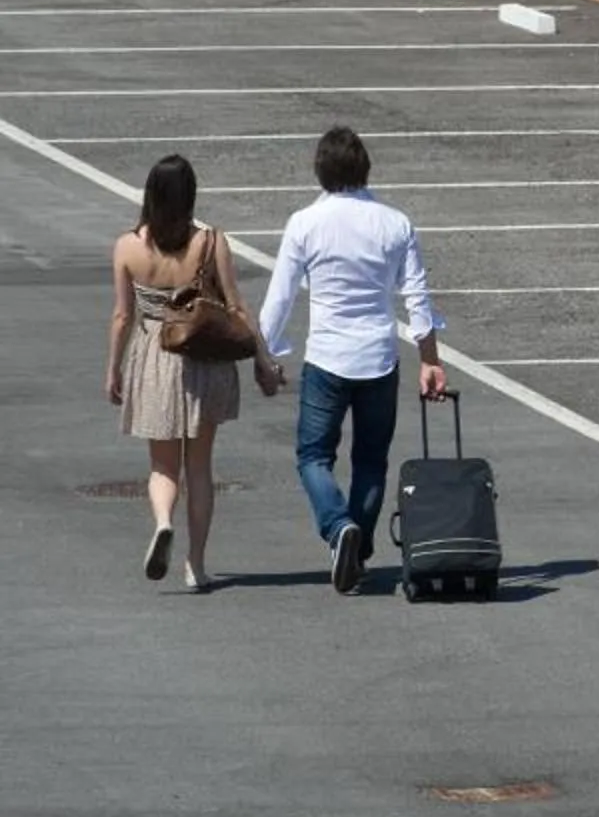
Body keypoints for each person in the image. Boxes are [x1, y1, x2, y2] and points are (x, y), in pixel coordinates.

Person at [258, 125, 447, 595]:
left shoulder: (304, 223)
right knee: (371, 460)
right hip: (379, 356)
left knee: (313, 456)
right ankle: (356, 552)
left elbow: (279, 299)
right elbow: (417, 297)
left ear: (320, 171)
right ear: (365, 168)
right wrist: (430, 360)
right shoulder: (395, 224)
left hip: (327, 356)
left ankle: (338, 526)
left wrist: (266, 354)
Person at [106, 153, 276, 592]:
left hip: (154, 354)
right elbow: (237, 306)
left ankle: (163, 521)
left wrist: (113, 369)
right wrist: (262, 358)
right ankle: (195, 565)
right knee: (199, 467)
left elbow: (123, 316)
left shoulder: (128, 247)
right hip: (204, 356)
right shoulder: (211, 241)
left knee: (162, 467)